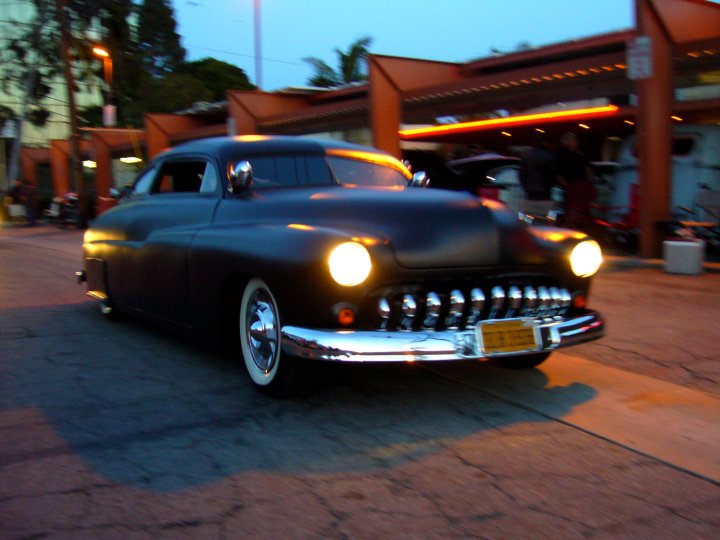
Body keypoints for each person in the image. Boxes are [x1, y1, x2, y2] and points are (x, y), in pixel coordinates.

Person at [556, 132, 596, 229]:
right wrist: (565, 185)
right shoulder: (561, 154)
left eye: (573, 140)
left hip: (581, 187)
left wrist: (589, 182)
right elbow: (558, 172)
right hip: (571, 186)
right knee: (571, 211)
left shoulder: (582, 154)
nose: (571, 143)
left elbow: (588, 169)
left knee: (580, 211)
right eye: (568, 140)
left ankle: (577, 225)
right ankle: (571, 226)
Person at [519, 135, 559, 219]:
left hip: (530, 188)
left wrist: (525, 185)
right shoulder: (550, 156)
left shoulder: (526, 156)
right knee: (548, 211)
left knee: (529, 211)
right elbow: (553, 175)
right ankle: (547, 226)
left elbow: (522, 173)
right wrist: (550, 185)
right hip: (545, 189)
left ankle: (527, 227)